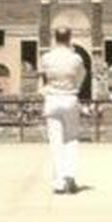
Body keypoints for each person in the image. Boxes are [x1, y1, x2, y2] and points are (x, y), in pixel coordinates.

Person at [38, 27, 86, 195]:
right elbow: (81, 77)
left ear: (55, 37)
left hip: (52, 99)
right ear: (69, 37)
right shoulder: (76, 58)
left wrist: (49, 88)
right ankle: (70, 177)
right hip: (69, 98)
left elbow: (44, 78)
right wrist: (75, 88)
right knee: (71, 139)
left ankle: (58, 183)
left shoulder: (46, 58)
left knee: (55, 141)